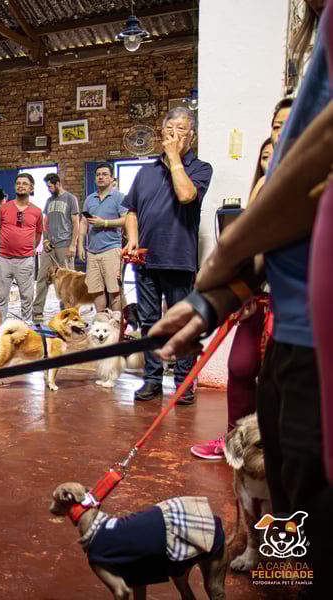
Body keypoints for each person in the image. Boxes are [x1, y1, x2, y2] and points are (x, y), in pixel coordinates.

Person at [153, 4, 331, 595]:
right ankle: (288, 576)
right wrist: (217, 299)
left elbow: (315, 167)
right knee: (294, 509)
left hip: (320, 353)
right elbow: (287, 227)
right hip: (294, 339)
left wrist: (227, 253)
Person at [190, 137, 278, 460]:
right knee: (240, 366)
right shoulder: (258, 204)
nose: (271, 160)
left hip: (292, 310)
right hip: (258, 303)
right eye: (265, 156)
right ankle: (234, 441)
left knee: (278, 379)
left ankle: (274, 446)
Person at [122, 107, 213, 405]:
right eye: (170, 128)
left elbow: (186, 195)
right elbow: (132, 210)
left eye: (182, 129)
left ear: (193, 136)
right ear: (161, 133)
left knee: (180, 323)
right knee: (149, 322)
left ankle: (185, 382)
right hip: (146, 260)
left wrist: (174, 157)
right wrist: (133, 240)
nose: (175, 133)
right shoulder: (145, 172)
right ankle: (152, 380)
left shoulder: (200, 168)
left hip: (178, 257)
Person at [0, 173, 43, 323]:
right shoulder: (3, 209)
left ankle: (27, 326)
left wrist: (27, 248)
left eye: (25, 183)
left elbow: (38, 233)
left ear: (31, 188)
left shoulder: (36, 211)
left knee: (27, 297)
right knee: (1, 297)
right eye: (18, 183)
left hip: (25, 260)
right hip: (4, 259)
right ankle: (0, 329)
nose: (21, 185)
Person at [80, 163, 128, 312]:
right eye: (98, 174)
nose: (101, 177)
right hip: (92, 251)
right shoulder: (89, 199)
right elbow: (83, 222)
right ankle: (101, 319)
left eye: (104, 174)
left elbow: (126, 220)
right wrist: (80, 244)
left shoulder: (119, 197)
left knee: (114, 290)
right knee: (96, 290)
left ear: (112, 178)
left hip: (111, 249)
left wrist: (105, 223)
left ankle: (116, 323)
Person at [32, 173, 79, 321]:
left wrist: (73, 244)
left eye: (50, 186)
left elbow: (76, 223)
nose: (49, 189)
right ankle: (37, 310)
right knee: (42, 278)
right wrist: (45, 240)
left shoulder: (71, 199)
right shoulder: (49, 200)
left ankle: (67, 311)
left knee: (67, 280)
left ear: (58, 184)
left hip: (64, 243)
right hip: (50, 246)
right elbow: (45, 222)